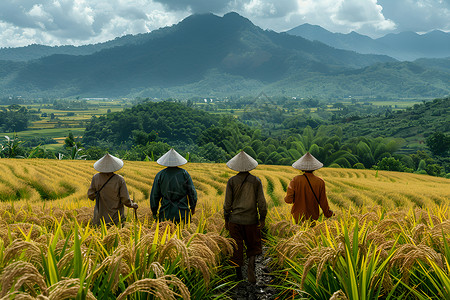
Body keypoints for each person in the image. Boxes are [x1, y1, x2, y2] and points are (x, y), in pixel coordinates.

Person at [223, 151, 267, 284]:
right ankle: (251, 266)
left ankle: (238, 274)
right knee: (253, 245)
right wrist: (262, 218)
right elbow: (262, 203)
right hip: (251, 220)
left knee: (237, 247)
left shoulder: (232, 181)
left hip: (235, 220)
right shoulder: (256, 181)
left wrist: (226, 218)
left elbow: (227, 204)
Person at [88, 153, 138, 226]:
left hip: (100, 217)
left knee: (100, 235)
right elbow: (125, 199)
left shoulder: (96, 177)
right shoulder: (119, 179)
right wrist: (132, 204)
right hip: (116, 217)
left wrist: (101, 196)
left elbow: (90, 195)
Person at [150, 148, 197, 223]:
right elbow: (192, 193)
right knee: (184, 233)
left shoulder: (160, 175)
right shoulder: (184, 174)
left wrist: (154, 211)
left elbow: (154, 195)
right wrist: (193, 207)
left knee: (166, 233)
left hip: (165, 213)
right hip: (182, 212)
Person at [284, 152, 333, 223]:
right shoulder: (320, 182)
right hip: (313, 218)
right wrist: (328, 214)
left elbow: (288, 200)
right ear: (314, 168)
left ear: (301, 168)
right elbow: (323, 201)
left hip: (297, 218)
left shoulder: (295, 180)